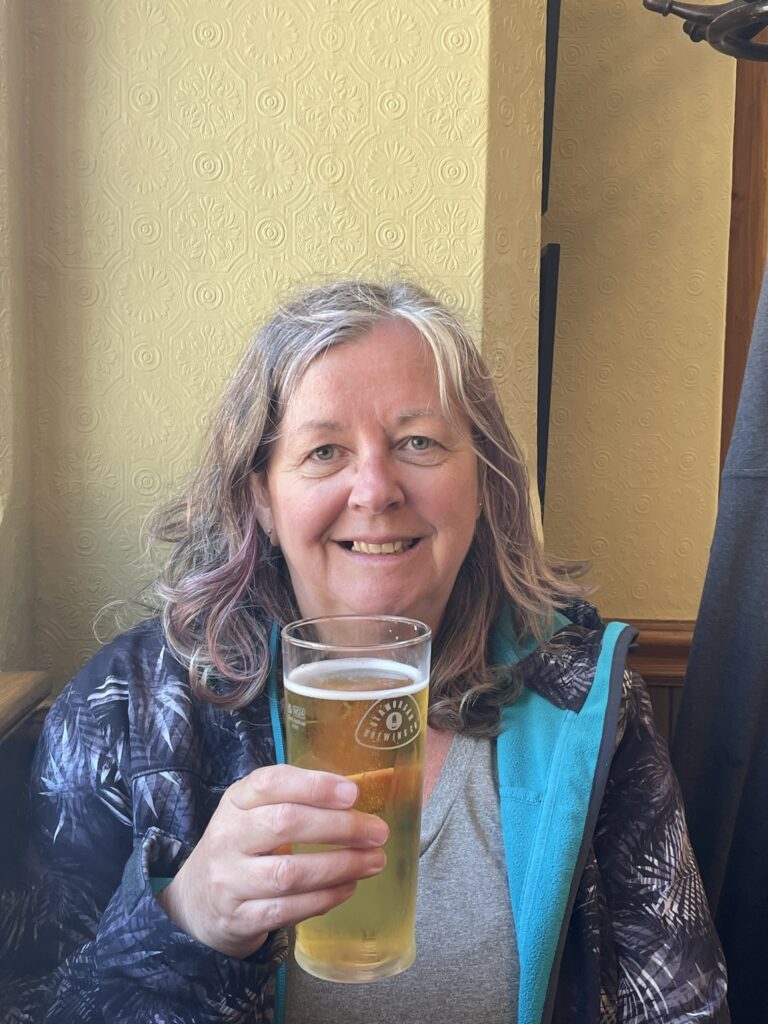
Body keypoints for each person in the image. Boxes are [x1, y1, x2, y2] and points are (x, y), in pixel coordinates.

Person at [0, 280, 728, 1023]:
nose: (375, 488)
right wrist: (184, 922)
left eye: (419, 441)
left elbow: (683, 1007)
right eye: (323, 451)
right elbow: (32, 1003)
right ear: (262, 500)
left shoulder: (588, 701)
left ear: (482, 480)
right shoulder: (127, 707)